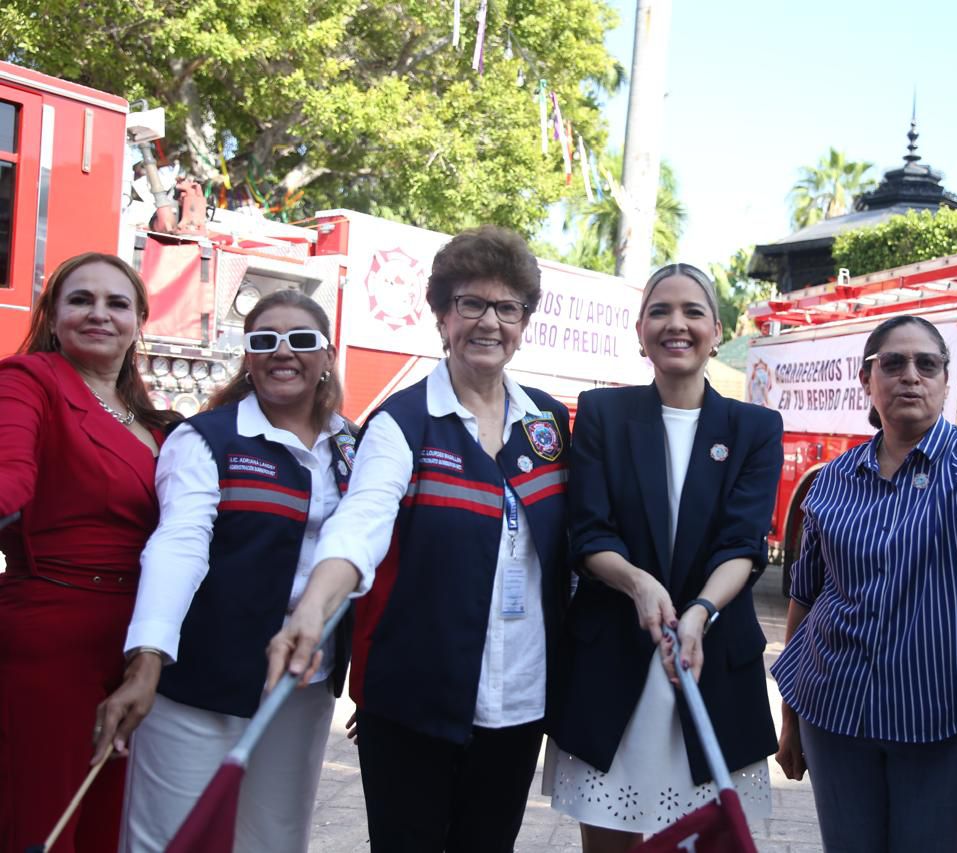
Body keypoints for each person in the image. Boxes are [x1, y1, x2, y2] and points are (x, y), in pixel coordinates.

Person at [266, 226, 571, 852]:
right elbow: (362, 523)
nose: (489, 322)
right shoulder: (402, 423)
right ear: (441, 316)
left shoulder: (547, 422)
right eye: (471, 304)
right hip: (412, 700)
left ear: (523, 322)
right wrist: (312, 608)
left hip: (518, 701)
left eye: (507, 307)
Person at [90, 290, 354, 852]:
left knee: (275, 841)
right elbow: (178, 546)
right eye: (265, 341)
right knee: (171, 839)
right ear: (248, 358)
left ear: (327, 356)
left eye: (301, 340)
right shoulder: (205, 438)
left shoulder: (354, 445)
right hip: (203, 679)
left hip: (302, 687)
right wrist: (147, 659)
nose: (283, 352)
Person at [544, 263, 783, 852]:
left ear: (717, 330)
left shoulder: (754, 427)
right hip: (614, 665)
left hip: (712, 663)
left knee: (709, 838)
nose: (676, 324)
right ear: (640, 330)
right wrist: (639, 584)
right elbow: (590, 534)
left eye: (693, 311)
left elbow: (742, 545)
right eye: (660, 311)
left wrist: (700, 609)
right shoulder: (603, 415)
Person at [770, 314, 957, 853]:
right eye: (893, 363)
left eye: (926, 364)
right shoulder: (833, 481)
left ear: (945, 381)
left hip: (944, 716)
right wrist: (790, 721)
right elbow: (805, 599)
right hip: (835, 712)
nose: (911, 375)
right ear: (868, 380)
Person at [0, 252, 179, 853]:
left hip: (137, 649)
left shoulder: (159, 425)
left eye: (116, 303)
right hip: (52, 642)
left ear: (138, 322)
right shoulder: (28, 382)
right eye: (81, 300)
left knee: (109, 825)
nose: (99, 314)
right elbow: (8, 475)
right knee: (44, 824)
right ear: (53, 318)